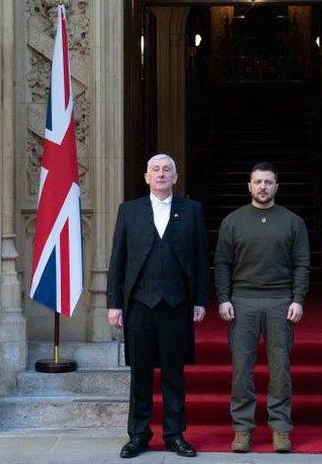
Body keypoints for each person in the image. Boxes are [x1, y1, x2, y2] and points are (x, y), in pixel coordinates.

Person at [106, 154, 208, 459]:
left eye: (167, 170)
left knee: (174, 374)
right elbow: (117, 262)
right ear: (147, 177)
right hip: (139, 305)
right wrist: (114, 304)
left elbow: (201, 259)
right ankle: (138, 435)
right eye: (156, 170)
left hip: (176, 305)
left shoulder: (191, 211)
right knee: (140, 374)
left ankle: (175, 435)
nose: (161, 174)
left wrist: (200, 300)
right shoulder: (129, 211)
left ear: (175, 178)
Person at [215, 162, 310, 454]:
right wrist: (223, 298)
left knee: (280, 369)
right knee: (241, 370)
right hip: (242, 301)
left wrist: (298, 299)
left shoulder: (293, 222)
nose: (263, 187)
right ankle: (242, 429)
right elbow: (222, 263)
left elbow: (302, 264)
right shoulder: (233, 221)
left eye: (268, 182)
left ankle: (281, 428)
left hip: (280, 302)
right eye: (258, 182)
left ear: (276, 187)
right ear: (249, 186)